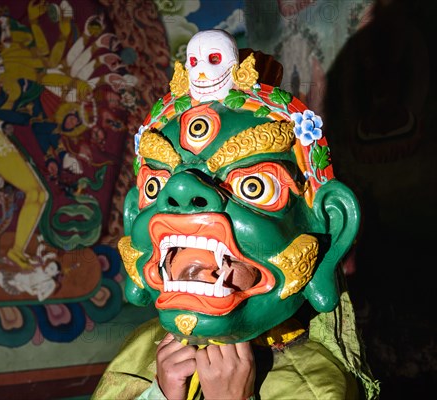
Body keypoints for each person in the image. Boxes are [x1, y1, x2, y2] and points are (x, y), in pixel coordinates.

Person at [93, 30, 379, 399]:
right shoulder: (142, 356)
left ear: (332, 225)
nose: (181, 193)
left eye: (254, 186)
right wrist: (161, 393)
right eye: (155, 186)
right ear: (133, 218)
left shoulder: (316, 386)